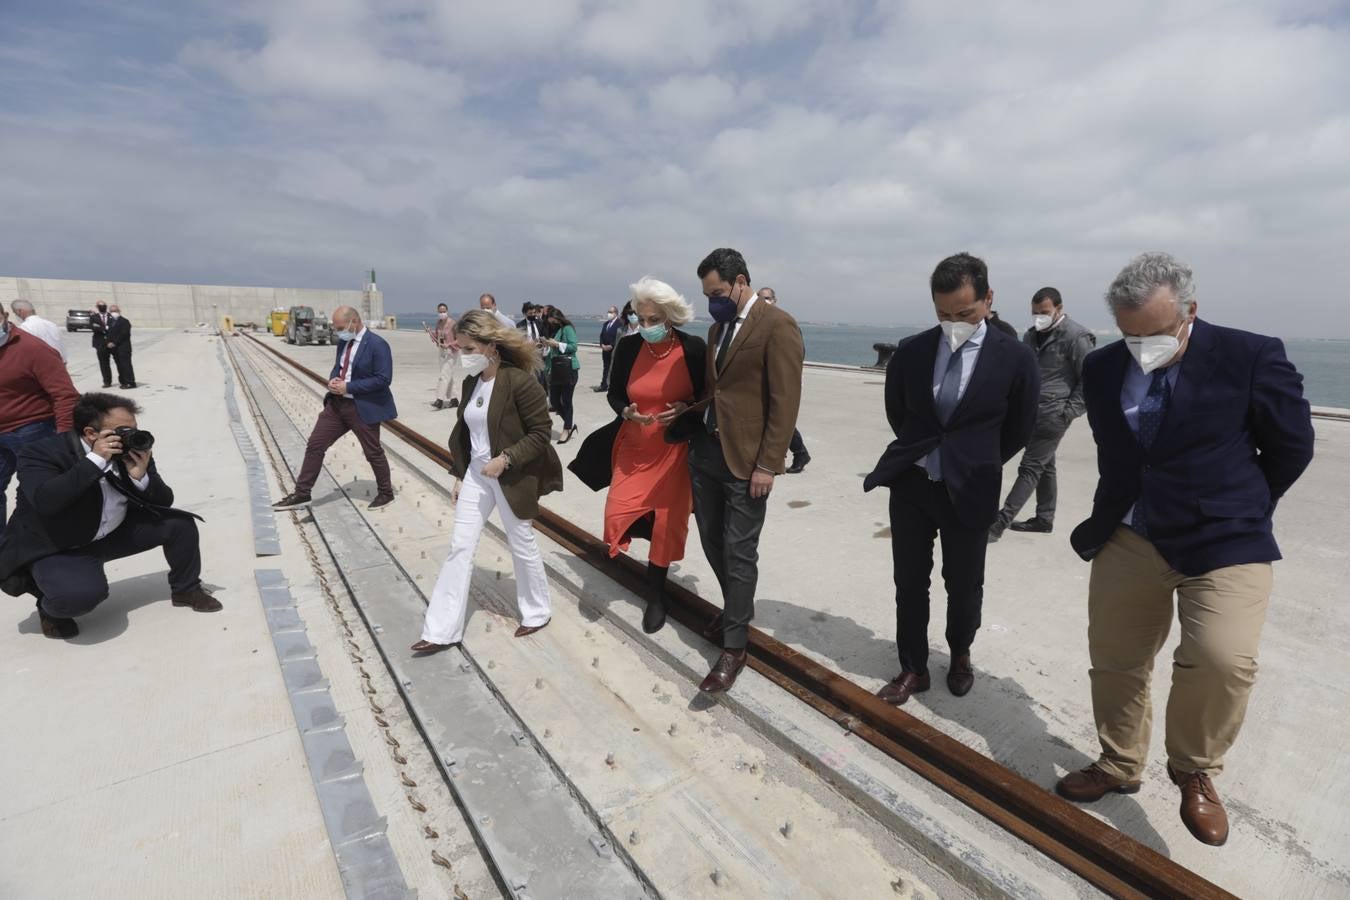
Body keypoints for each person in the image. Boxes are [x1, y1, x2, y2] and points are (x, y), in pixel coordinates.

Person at [1056, 253, 1314, 847]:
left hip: (1224, 537)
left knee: (1224, 660)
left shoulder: (1249, 355)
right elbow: (1121, 451)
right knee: (1117, 659)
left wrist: (1246, 502)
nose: (1141, 345)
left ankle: (1193, 769)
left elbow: (1292, 444)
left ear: (1190, 311)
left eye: (1155, 331)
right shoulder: (1100, 367)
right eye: (1129, 334)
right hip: (1128, 533)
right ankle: (1120, 762)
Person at [863, 253, 1039, 706]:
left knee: (964, 584)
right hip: (914, 485)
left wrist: (974, 459)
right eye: (943, 314)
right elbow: (898, 412)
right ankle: (913, 667)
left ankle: (960, 653)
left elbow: (1019, 428)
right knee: (909, 581)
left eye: (964, 313)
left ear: (988, 299)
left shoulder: (1015, 358)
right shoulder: (914, 350)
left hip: (971, 487)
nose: (953, 322)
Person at [667, 248, 804, 693]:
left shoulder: (777, 325)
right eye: (708, 295)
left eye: (719, 293)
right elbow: (718, 391)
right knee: (711, 541)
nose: (713, 302)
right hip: (706, 452)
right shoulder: (717, 329)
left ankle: (735, 645)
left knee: (740, 551)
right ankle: (736, 612)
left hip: (747, 463)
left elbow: (785, 402)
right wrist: (686, 411)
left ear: (741, 281)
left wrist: (769, 464)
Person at [0, 392, 220, 640]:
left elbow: (164, 501)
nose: (131, 435)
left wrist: (140, 478)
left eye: (134, 428)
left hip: (111, 532)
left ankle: (186, 590)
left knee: (179, 524)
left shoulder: (132, 448)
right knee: (80, 598)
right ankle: (49, 609)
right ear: (91, 434)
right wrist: (94, 461)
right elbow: (46, 501)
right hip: (62, 545)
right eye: (123, 430)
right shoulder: (40, 453)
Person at [412, 310, 563, 653]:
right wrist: (460, 474)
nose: (462, 356)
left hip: (511, 475)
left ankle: (537, 612)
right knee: (460, 547)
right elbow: (466, 434)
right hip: (477, 476)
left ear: (491, 346)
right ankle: (441, 631)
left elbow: (541, 433)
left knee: (520, 542)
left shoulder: (519, 382)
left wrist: (506, 459)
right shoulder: (471, 382)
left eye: (468, 349)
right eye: (460, 349)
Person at [569, 277, 706, 633]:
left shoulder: (693, 349)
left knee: (666, 524)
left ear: (670, 316)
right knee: (617, 510)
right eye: (640, 319)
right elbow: (615, 394)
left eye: (653, 320)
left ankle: (656, 595)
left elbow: (708, 399)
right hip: (633, 447)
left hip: (674, 451)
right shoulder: (629, 348)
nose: (645, 327)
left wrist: (686, 407)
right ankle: (626, 558)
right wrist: (626, 412)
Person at [988, 287, 1095, 541]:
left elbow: (1089, 380)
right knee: (1045, 465)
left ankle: (999, 523)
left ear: (1059, 308)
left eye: (1044, 312)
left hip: (1053, 414)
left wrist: (1068, 412)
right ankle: (1044, 518)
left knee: (1030, 467)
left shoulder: (1076, 336)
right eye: (1035, 313)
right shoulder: (1030, 336)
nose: (1039, 317)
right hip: (1029, 412)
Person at [272, 306, 398, 511]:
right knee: (315, 445)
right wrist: (333, 380)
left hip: (362, 407)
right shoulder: (343, 342)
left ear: (354, 322)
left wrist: (349, 387)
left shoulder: (377, 345)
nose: (339, 331)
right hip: (337, 406)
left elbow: (384, 379)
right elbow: (338, 367)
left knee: (372, 452)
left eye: (341, 327)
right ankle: (302, 494)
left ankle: (386, 493)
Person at [0, 308, 80, 530]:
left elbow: (65, 394)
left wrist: (64, 436)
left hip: (31, 430)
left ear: (5, 316)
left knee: (36, 491)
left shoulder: (32, 349)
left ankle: (41, 543)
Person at [758, 287, 812, 474]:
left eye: (767, 298)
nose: (763, 301)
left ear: (775, 300)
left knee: (780, 419)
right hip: (763, 381)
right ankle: (795, 454)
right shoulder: (757, 322)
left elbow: (797, 353)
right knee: (771, 419)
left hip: (783, 381)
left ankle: (797, 453)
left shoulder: (783, 322)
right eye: (759, 298)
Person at [540, 307, 580, 443]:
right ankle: (569, 423)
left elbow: (573, 347)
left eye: (551, 319)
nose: (550, 322)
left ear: (556, 318)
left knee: (567, 401)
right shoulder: (558, 329)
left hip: (568, 369)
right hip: (557, 371)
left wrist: (556, 344)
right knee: (555, 401)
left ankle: (567, 428)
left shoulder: (567, 328)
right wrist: (547, 344)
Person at [429, 302, 461, 410]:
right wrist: (430, 332)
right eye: (440, 311)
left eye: (444, 311)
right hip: (441, 352)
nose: (442, 313)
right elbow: (438, 337)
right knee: (449, 375)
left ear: (447, 311)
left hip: (451, 352)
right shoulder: (438, 323)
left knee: (444, 375)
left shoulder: (453, 323)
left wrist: (449, 344)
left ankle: (439, 400)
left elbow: (459, 339)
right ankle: (454, 399)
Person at [105, 304, 136, 388]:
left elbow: (124, 334)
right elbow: (108, 334)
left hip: (123, 348)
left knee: (126, 365)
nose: (113, 313)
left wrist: (114, 342)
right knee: (119, 365)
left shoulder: (125, 321)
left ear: (119, 311)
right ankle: (123, 381)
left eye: (115, 311)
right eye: (112, 311)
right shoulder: (109, 322)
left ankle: (130, 382)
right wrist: (108, 342)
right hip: (114, 349)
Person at [594, 305, 622, 392]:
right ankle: (604, 385)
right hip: (605, 350)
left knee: (615, 368)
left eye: (611, 312)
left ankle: (614, 386)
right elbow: (602, 335)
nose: (609, 314)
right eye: (608, 312)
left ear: (616, 313)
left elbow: (619, 336)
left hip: (614, 350)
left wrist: (611, 345)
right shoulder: (606, 324)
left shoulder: (620, 323)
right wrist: (602, 345)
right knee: (606, 367)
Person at [89, 301, 115, 388]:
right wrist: (105, 328)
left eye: (104, 305)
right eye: (100, 305)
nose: (102, 307)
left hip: (112, 342)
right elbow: (93, 327)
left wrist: (100, 327)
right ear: (97, 307)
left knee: (119, 362)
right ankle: (107, 382)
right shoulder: (94, 317)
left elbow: (115, 327)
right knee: (104, 364)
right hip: (100, 343)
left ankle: (124, 380)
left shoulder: (111, 316)